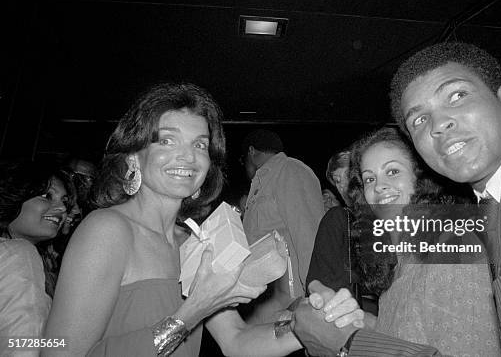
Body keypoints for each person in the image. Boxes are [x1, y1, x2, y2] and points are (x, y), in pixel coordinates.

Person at [295, 42, 501, 356]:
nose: (438, 125)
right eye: (419, 120)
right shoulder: (490, 208)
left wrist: (349, 344)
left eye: (457, 95)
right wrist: (358, 323)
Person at [43, 83, 315, 356]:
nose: (189, 156)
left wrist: (311, 326)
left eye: (200, 144)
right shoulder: (107, 230)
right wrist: (193, 311)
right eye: (167, 140)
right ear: (133, 155)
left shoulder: (195, 242)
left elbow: (237, 340)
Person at [347, 127, 500, 355]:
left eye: (392, 172)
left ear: (420, 178)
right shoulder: (398, 262)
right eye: (369, 179)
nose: (378, 186)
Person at [240, 129, 325, 324]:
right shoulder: (261, 182)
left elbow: (308, 237)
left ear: (251, 152)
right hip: (262, 298)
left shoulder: (290, 171)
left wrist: (311, 298)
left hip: (290, 302)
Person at [0, 161, 72, 355]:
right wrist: (71, 343)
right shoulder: (19, 254)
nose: (62, 209)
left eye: (64, 201)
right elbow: (23, 343)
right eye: (47, 196)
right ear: (14, 196)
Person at [306, 150, 359, 294]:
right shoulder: (338, 218)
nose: (343, 185)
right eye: (337, 180)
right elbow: (319, 280)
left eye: (348, 176)